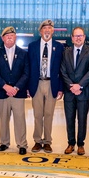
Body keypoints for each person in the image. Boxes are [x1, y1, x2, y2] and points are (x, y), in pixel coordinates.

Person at [58, 26, 89, 155]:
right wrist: (71, 86)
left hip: (83, 92)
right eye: (76, 36)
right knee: (69, 119)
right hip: (69, 93)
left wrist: (79, 86)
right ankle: (70, 143)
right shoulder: (66, 52)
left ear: (84, 37)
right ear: (72, 38)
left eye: (81, 36)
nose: (78, 38)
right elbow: (63, 71)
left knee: (82, 119)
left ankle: (81, 144)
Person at [27, 19, 64, 152]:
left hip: (51, 84)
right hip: (36, 83)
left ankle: (47, 141)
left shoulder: (59, 47)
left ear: (53, 31)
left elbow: (61, 68)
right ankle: (37, 140)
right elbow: (29, 67)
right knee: (37, 114)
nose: (47, 30)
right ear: (40, 31)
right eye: (45, 28)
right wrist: (27, 86)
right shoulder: (33, 46)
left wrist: (60, 88)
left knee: (49, 114)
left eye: (50, 28)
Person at [0, 26, 30, 154]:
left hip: (18, 93)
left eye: (12, 35)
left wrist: (16, 87)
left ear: (15, 37)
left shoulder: (23, 53)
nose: (9, 37)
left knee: (20, 119)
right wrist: (5, 86)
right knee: (3, 119)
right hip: (2, 92)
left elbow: (26, 73)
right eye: (7, 36)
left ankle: (22, 144)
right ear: (2, 38)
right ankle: (4, 142)